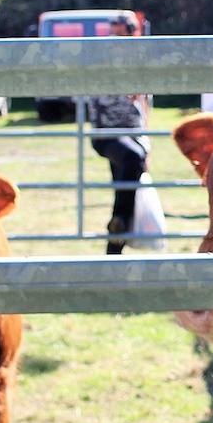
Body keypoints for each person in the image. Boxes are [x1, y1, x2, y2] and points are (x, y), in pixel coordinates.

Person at [88, 13, 150, 255]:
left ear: (132, 32)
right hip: (107, 134)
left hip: (134, 133)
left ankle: (114, 250)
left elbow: (145, 103)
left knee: (124, 186)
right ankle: (118, 225)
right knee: (132, 161)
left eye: (119, 30)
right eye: (111, 30)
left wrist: (147, 138)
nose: (114, 36)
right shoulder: (101, 58)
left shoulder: (139, 61)